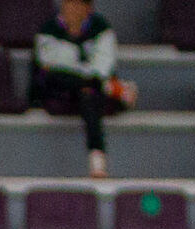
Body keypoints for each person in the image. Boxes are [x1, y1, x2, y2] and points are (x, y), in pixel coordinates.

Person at [31, 0, 135, 179]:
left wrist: (86, 78)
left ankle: (97, 160)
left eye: (77, 5)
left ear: (88, 8)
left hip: (90, 90)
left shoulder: (101, 28)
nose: (71, 10)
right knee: (55, 77)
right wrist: (87, 76)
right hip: (59, 89)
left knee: (88, 95)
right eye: (68, 4)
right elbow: (49, 64)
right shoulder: (48, 30)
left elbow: (102, 66)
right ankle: (111, 89)